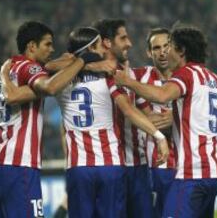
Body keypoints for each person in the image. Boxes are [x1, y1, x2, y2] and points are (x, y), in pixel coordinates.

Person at [56, 27, 169, 218]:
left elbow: (47, 71)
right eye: (100, 46)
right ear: (91, 48)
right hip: (110, 164)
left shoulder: (59, 81)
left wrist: (79, 63)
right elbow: (129, 110)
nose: (104, 51)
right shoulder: (108, 76)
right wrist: (158, 136)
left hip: (78, 166)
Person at [115, 26, 217, 217]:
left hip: (193, 172)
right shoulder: (212, 78)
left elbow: (163, 95)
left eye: (170, 47)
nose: (166, 52)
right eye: (159, 48)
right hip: (214, 170)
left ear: (181, 51)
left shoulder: (186, 74)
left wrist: (128, 82)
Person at [0, 21, 87, 218]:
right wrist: (81, 61)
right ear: (32, 46)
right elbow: (50, 87)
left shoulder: (11, 68)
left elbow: (48, 68)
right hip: (21, 165)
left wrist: (66, 61)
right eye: (47, 44)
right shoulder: (29, 68)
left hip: (0, 164)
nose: (52, 49)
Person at [93, 19, 155, 218]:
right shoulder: (85, 73)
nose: (129, 43)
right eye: (123, 38)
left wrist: (175, 117)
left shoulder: (128, 77)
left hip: (138, 166)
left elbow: (147, 114)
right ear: (107, 42)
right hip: (108, 166)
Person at [136, 28, 177, 217]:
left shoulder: (187, 76)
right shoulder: (141, 77)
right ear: (149, 52)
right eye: (157, 48)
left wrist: (174, 120)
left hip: (188, 161)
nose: (162, 52)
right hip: (158, 163)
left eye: (166, 46)